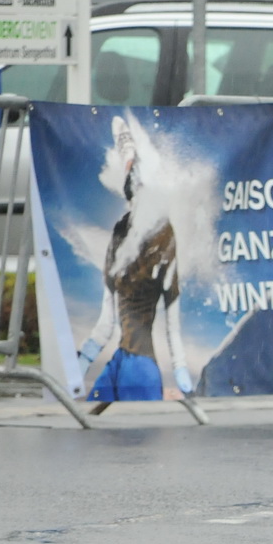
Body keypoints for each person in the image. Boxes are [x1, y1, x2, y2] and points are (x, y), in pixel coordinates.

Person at [78, 117, 195, 402]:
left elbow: (172, 324)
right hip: (119, 361)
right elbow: (106, 322)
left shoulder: (164, 239)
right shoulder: (119, 236)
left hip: (141, 367)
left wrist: (181, 372)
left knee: (135, 440)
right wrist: (79, 364)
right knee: (92, 424)